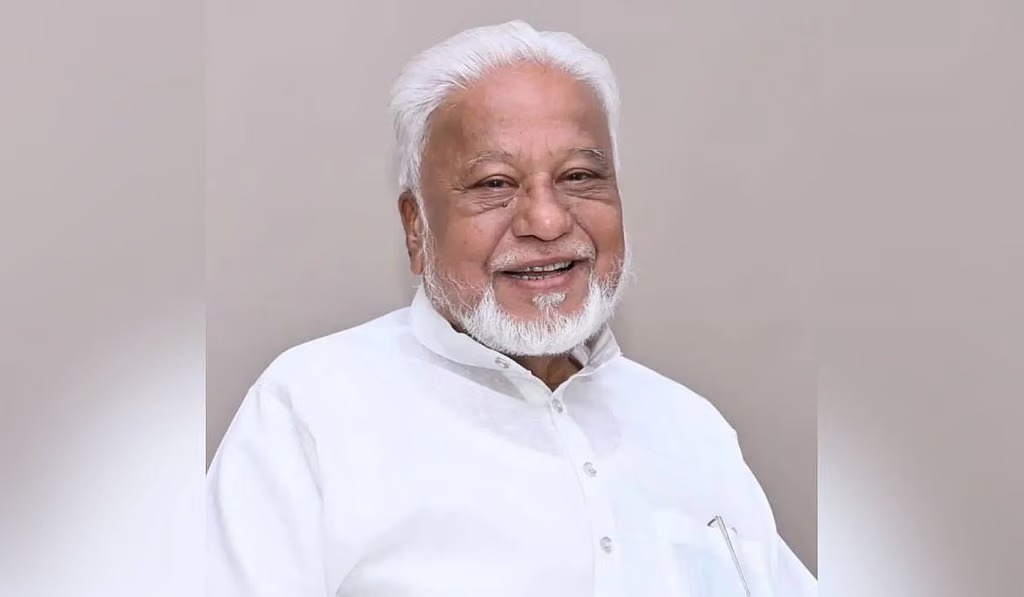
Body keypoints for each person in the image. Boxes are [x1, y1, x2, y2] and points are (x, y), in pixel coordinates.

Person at [207, 20, 816, 597]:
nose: (547, 221)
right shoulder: (312, 409)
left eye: (579, 177)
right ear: (416, 227)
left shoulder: (690, 427)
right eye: (494, 184)